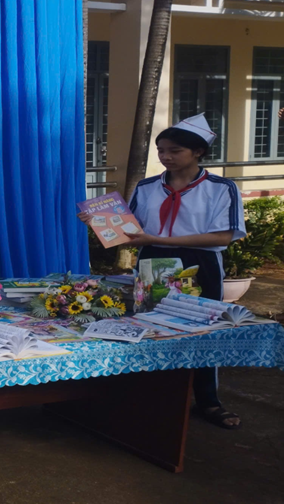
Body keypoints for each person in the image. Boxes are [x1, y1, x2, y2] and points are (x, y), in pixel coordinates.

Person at [83, 113, 246, 430]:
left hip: (198, 263)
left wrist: (158, 239)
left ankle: (208, 400)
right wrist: (100, 223)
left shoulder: (221, 188)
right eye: (161, 150)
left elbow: (223, 236)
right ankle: (155, 395)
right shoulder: (147, 187)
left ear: (197, 152)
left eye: (175, 150)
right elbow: (131, 232)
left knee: (202, 331)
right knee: (150, 327)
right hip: (153, 260)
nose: (166, 157)